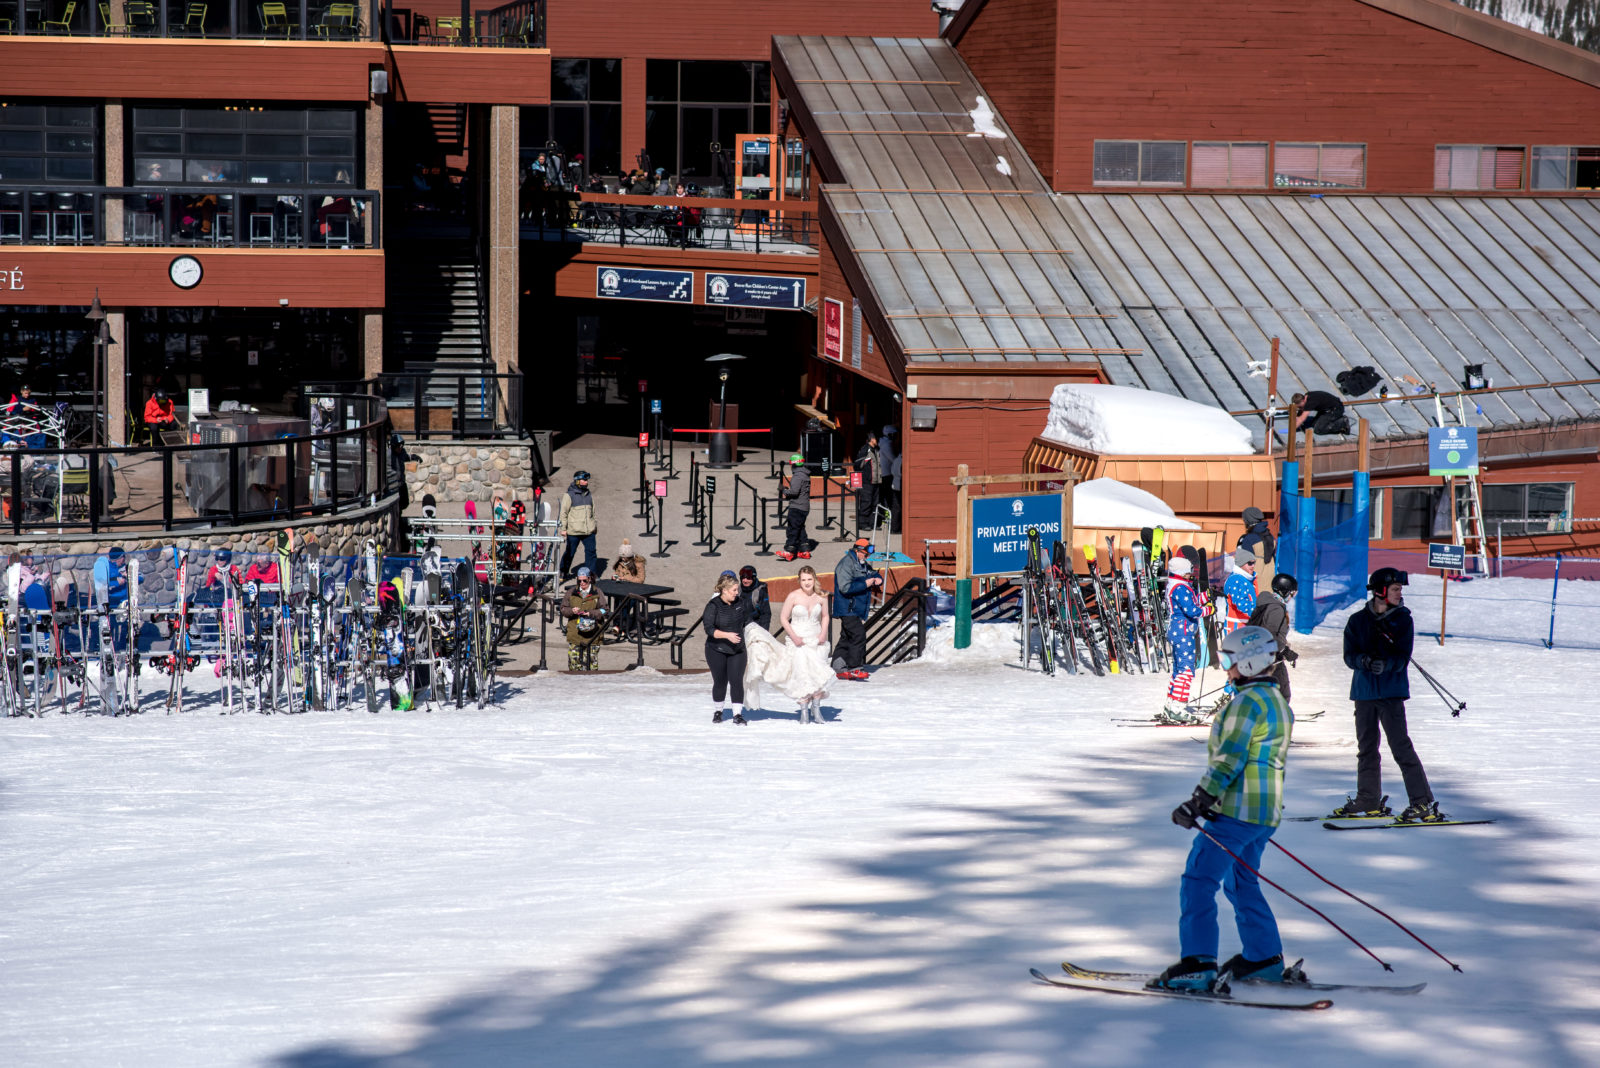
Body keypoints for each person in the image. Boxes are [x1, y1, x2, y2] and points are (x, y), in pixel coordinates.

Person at [1153, 625, 1300, 991]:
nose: (1226, 669)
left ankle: (1199, 964)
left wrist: (1200, 801)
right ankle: (1263, 958)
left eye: (1230, 661)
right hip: (1265, 812)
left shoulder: (1246, 704)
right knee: (1240, 880)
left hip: (1236, 811)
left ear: (1249, 663)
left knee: (1199, 880)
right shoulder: (1277, 701)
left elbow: (1229, 759)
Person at [1334, 567, 1441, 822]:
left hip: (1391, 693)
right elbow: (1349, 656)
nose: (1399, 593)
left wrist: (1387, 665)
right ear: (1381, 591)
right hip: (1363, 693)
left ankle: (1422, 802)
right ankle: (1368, 799)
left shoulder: (1403, 619)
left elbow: (1403, 657)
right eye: (1395, 589)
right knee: (1366, 749)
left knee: (1401, 748)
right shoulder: (1357, 621)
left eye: (1399, 590)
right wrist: (1365, 661)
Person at [743, 564, 833, 723]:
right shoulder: (793, 596)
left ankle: (816, 708)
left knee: (818, 674)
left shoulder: (821, 596)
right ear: (799, 580)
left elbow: (825, 616)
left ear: (814, 579)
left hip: (816, 637)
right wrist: (794, 636)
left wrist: (823, 633)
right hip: (797, 638)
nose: (807, 583)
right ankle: (804, 710)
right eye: (803, 579)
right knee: (802, 674)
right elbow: (784, 618)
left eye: (809, 579)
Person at [1162, 556, 1212, 722]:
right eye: (1189, 572)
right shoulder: (1180, 588)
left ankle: (1171, 704)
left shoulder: (1178, 586)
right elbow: (1192, 610)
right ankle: (1178, 706)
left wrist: (1206, 596)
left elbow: (1192, 601)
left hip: (1179, 631)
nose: (1191, 575)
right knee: (1186, 670)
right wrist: (1207, 611)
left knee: (1179, 669)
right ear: (1182, 572)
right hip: (1183, 632)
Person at [702, 573, 750, 724]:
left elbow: (749, 621)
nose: (737, 593)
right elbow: (709, 629)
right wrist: (726, 635)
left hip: (737, 650)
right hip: (716, 649)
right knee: (720, 681)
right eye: (734, 590)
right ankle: (718, 711)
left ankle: (737, 715)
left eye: (737, 590)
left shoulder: (741, 603)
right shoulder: (713, 605)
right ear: (724, 590)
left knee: (736, 681)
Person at [832, 537, 881, 680]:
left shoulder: (862, 563)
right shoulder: (846, 564)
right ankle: (855, 667)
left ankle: (838, 667)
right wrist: (865, 584)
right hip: (847, 608)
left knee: (846, 637)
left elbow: (872, 573)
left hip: (855, 609)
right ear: (858, 551)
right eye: (866, 554)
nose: (868, 557)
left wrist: (878, 578)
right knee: (858, 635)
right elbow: (844, 587)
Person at [1246, 573, 1299, 702]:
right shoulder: (1276, 608)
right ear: (1285, 592)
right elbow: (1269, 636)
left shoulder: (1267, 603)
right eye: (1292, 594)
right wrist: (1286, 651)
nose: (1292, 597)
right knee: (1282, 693)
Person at [561, 567, 605, 672]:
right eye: (579, 580)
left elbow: (604, 610)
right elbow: (563, 608)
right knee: (573, 664)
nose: (582, 583)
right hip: (575, 633)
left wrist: (592, 613)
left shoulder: (597, 592)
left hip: (593, 635)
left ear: (589, 579)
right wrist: (572, 610)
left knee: (591, 666)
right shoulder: (572, 592)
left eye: (584, 580)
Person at [557, 470, 598, 580]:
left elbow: (593, 512)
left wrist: (595, 526)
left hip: (588, 531)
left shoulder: (589, 494)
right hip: (574, 531)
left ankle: (591, 574)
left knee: (591, 553)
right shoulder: (569, 495)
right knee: (570, 552)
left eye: (587, 480)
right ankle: (563, 571)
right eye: (584, 480)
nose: (586, 482)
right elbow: (563, 513)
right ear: (577, 481)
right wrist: (563, 528)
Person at [777, 454, 811, 562]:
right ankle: (804, 550)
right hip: (804, 506)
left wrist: (783, 490)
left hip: (797, 506)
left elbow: (794, 492)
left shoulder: (798, 476)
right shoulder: (805, 474)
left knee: (793, 528)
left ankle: (789, 551)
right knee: (800, 528)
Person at [1237, 506, 1274, 590]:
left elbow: (1242, 564)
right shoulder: (1269, 536)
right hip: (1270, 580)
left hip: (1255, 583)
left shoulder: (1248, 539)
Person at [853, 430, 880, 533]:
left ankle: (873, 523)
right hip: (867, 482)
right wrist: (865, 475)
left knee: (875, 503)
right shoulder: (865, 450)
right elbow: (857, 465)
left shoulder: (876, 450)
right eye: (876, 439)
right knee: (866, 502)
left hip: (876, 481)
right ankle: (863, 524)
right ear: (871, 439)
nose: (877, 441)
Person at [877, 425, 898, 532]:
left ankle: (883, 515)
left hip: (882, 474)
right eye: (894, 434)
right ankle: (887, 516)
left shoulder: (881, 442)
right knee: (888, 497)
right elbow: (893, 459)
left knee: (883, 496)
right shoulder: (887, 444)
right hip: (886, 474)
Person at [738, 565, 771, 631]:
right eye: (743, 578)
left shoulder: (761, 591)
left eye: (748, 578)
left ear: (754, 578)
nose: (745, 580)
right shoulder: (737, 589)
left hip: (755, 626)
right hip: (739, 626)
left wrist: (764, 632)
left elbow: (766, 614)